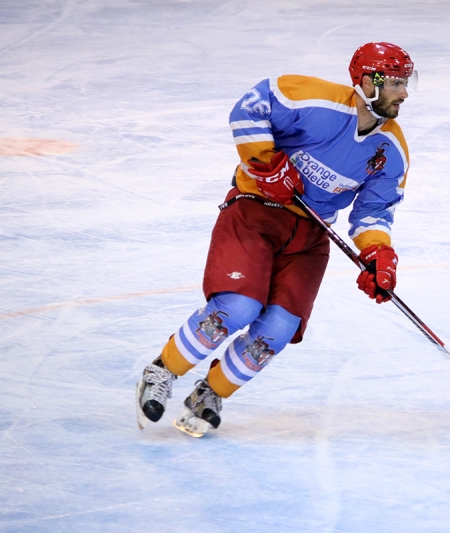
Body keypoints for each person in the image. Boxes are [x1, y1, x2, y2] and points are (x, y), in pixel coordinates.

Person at [135, 42, 416, 437]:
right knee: (236, 307)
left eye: (407, 83)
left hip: (311, 233)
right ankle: (161, 371)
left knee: (279, 328)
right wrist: (264, 162)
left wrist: (378, 254)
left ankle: (209, 394)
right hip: (256, 210)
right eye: (396, 84)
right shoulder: (318, 102)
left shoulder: (392, 150)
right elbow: (249, 106)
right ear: (367, 81)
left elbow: (373, 211)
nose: (404, 93)